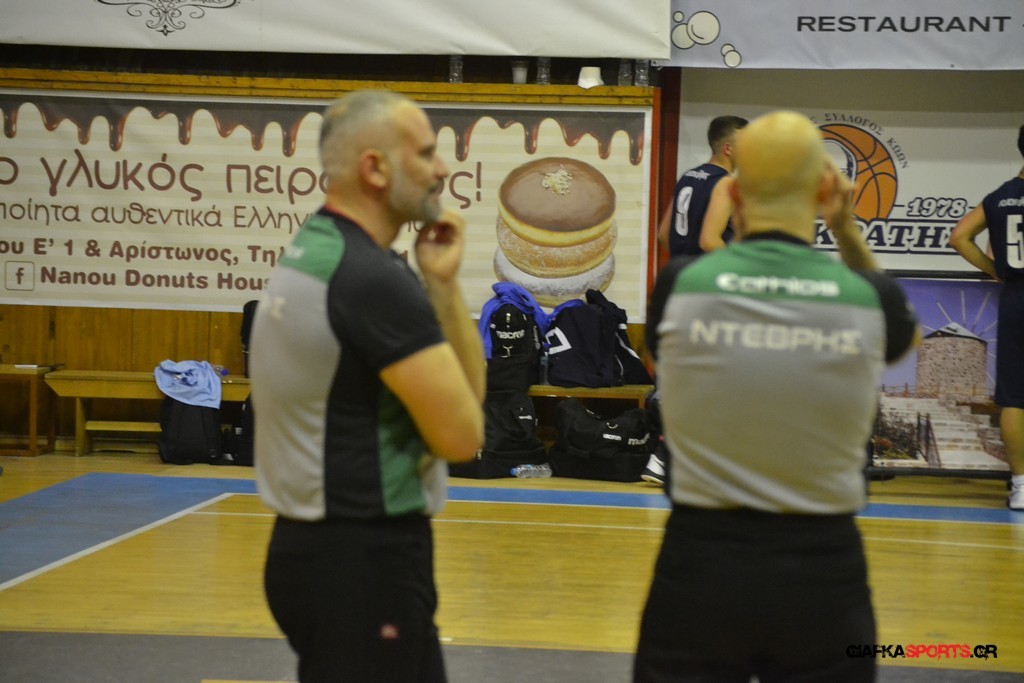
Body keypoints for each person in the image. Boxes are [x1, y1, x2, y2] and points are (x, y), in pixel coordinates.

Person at [634, 111, 919, 682]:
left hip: (700, 562)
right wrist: (845, 230)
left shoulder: (679, 287)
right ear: (824, 193)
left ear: (734, 192)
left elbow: (664, 353)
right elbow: (901, 336)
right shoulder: (868, 297)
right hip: (823, 568)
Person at [249, 90, 486, 682]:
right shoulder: (371, 281)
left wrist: (442, 286)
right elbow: (463, 437)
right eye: (426, 153)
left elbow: (465, 402)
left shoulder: (319, 248)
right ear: (375, 168)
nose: (441, 169)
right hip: (363, 564)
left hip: (318, 555)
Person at [948, 124, 1024, 511]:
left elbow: (959, 236)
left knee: (1014, 397)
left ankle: (1021, 486)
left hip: (1016, 298)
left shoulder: (1000, 196)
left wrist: (996, 270)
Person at [656, 115, 748, 258]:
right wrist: (739, 263)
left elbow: (663, 234)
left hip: (679, 268)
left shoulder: (687, 176)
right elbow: (709, 241)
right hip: (707, 269)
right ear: (728, 149)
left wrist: (683, 261)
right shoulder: (726, 183)